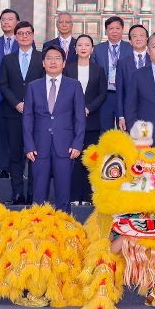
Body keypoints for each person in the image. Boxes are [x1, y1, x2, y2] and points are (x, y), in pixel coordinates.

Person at [23, 44, 86, 213]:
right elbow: (27, 118)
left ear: (64, 63)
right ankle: (38, 226)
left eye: (57, 58)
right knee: (38, 193)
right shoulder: (33, 86)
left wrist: (77, 144)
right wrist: (29, 145)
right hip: (38, 147)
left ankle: (63, 227)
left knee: (64, 193)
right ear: (43, 63)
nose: (53, 62)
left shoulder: (74, 85)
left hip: (66, 147)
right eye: (49, 58)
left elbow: (80, 118)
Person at [0, 21, 43, 205]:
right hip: (13, 113)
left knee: (35, 154)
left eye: (28, 33)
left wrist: (31, 105)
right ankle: (17, 194)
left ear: (33, 35)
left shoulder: (42, 58)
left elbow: (45, 84)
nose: (24, 36)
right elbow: (3, 85)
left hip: (37, 114)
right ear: (15, 37)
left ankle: (33, 193)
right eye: (21, 33)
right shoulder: (7, 59)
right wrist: (16, 103)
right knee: (15, 154)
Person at [65, 35, 106, 206]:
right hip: (71, 121)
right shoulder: (68, 69)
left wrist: (88, 108)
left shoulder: (98, 70)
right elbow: (63, 92)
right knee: (73, 159)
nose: (83, 47)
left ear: (92, 49)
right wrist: (76, 109)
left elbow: (102, 93)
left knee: (90, 158)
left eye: (87, 45)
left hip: (92, 120)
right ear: (75, 49)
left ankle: (88, 197)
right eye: (80, 45)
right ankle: (74, 196)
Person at [0, 8, 20, 177]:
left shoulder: (24, 42)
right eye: (3, 19)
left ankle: (18, 169)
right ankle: (3, 168)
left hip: (18, 97)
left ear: (17, 22)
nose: (6, 22)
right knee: (1, 134)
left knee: (18, 134)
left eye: (10, 19)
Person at [90, 16, 133, 131]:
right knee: (104, 131)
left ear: (122, 29)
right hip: (105, 96)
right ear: (106, 30)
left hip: (124, 96)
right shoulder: (97, 49)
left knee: (124, 131)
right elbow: (93, 72)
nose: (114, 31)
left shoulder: (130, 48)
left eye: (117, 28)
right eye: (111, 28)